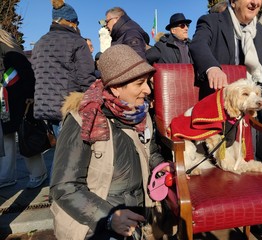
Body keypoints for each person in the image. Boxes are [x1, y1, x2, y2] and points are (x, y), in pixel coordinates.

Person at [50, 44, 166, 239]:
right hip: (93, 224)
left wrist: (164, 167)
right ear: (115, 88)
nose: (147, 90)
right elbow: (64, 187)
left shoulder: (140, 114)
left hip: (135, 218)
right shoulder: (84, 119)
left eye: (147, 82)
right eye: (139, 83)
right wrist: (110, 217)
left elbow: (150, 151)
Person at [189, 0, 262, 237]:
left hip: (253, 104)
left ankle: (257, 215)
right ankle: (225, 212)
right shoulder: (212, 21)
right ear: (233, 1)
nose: (256, 2)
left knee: (255, 157)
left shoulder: (260, 30)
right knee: (228, 162)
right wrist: (211, 68)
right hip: (223, 105)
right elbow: (198, 46)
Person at [31, 0, 96, 137]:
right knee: (74, 153)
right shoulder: (77, 41)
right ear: (71, 22)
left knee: (61, 153)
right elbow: (86, 77)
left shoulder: (40, 42)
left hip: (45, 107)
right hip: (69, 107)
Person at [0, 29, 47, 189]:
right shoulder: (9, 50)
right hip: (8, 102)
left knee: (25, 135)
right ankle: (7, 176)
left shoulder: (11, 53)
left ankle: (38, 173)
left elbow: (27, 75)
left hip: (18, 101)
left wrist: (30, 96)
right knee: (8, 137)